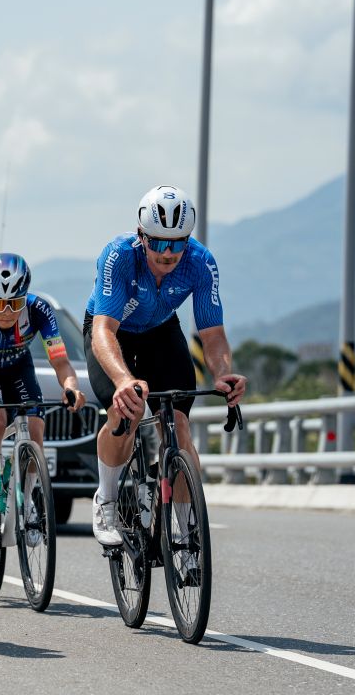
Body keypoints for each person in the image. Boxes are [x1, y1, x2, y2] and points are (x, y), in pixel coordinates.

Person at [85, 186, 246, 550]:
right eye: (158, 243)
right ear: (141, 236)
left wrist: (222, 374)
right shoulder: (118, 256)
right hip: (111, 333)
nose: (168, 253)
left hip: (160, 331)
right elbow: (103, 329)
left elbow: (214, 335)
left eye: (178, 243)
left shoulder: (200, 262)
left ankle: (189, 536)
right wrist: (124, 379)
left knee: (179, 423)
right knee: (125, 409)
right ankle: (107, 500)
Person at [0, 253, 86, 545]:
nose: (8, 311)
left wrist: (71, 387)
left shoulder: (39, 309)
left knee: (36, 429)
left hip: (18, 368)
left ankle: (27, 502)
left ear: (26, 297)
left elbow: (61, 363)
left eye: (16, 303)